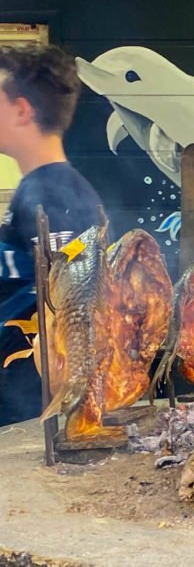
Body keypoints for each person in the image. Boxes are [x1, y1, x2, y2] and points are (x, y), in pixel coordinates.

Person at [0, 44, 105, 426]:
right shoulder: (38, 190)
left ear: (22, 110)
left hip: (28, 416)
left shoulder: (56, 197)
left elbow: (78, 313)